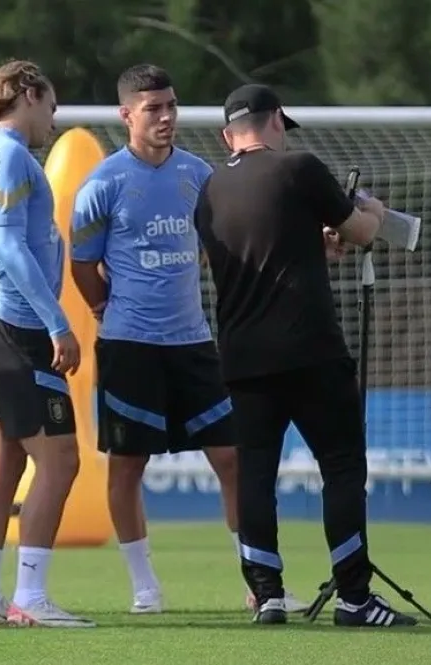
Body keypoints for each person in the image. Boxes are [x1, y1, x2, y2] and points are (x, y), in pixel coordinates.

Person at [69, 64, 307, 615]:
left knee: (232, 458)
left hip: (195, 344)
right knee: (129, 465)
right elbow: (83, 266)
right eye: (153, 108)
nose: (167, 117)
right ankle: (143, 585)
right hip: (129, 345)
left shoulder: (201, 175)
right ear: (127, 115)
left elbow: (223, 242)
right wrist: (107, 309)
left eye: (172, 105)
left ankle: (258, 583)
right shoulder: (102, 183)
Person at [193, 83, 418, 627]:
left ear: (228, 134)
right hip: (311, 349)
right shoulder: (300, 169)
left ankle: (267, 595)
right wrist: (373, 211)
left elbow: (249, 251)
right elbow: (360, 232)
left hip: (244, 357)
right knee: (341, 468)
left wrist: (308, 243)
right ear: (274, 123)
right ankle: (354, 597)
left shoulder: (210, 191)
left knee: (256, 475)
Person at [0, 59, 93, 628]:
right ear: (28, 95)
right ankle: (29, 597)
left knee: (3, 462)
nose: (53, 123)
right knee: (60, 461)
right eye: (52, 108)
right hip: (18, 329)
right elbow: (8, 247)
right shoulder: (9, 155)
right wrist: (57, 322)